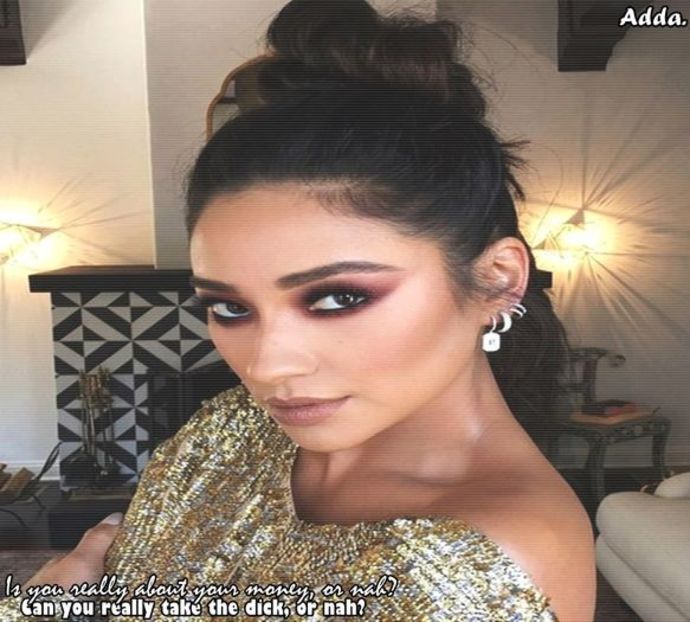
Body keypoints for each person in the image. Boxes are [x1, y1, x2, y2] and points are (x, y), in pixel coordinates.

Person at [0, 1, 596, 620]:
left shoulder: (486, 561)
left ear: (498, 280)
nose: (267, 366)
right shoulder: (229, 430)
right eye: (229, 307)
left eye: (339, 298)